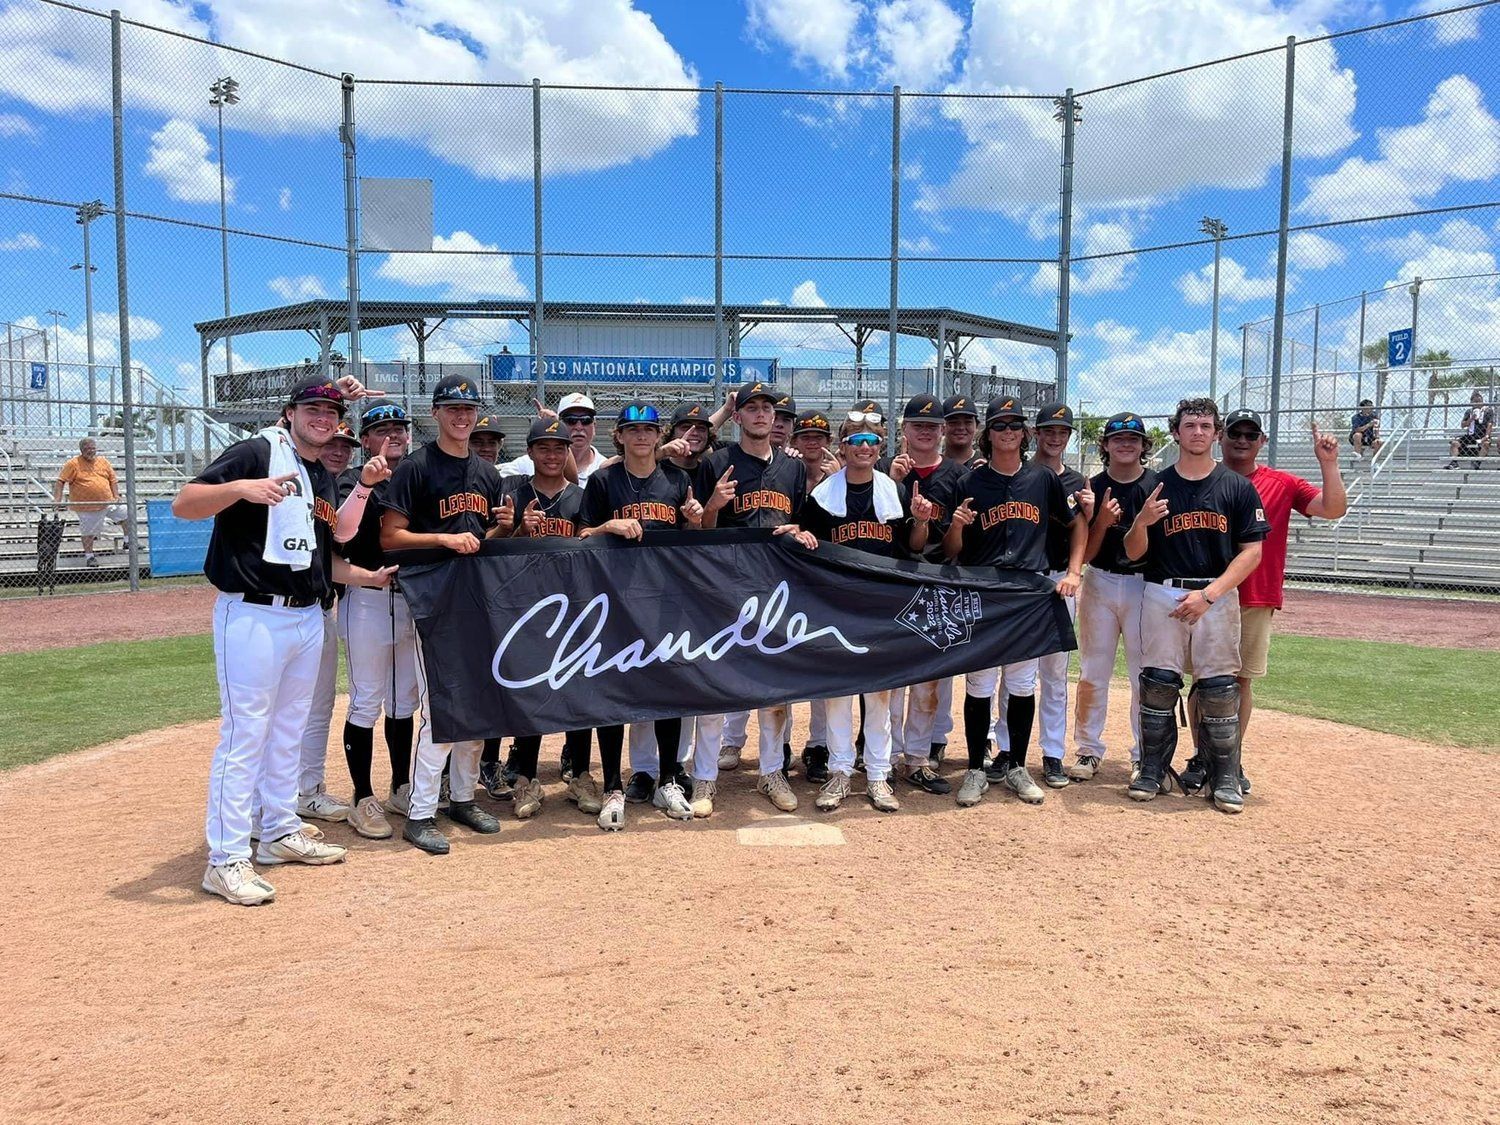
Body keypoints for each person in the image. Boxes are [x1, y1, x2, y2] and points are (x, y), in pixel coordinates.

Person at [171, 373, 366, 906]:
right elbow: (184, 503)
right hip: (253, 614)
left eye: (331, 413)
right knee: (244, 735)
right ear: (289, 413)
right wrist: (240, 489)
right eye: (312, 410)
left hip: (305, 615)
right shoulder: (258, 451)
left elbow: (332, 546)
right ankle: (226, 858)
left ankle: (278, 830)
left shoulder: (316, 471)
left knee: (289, 729)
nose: (322, 420)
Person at [1177, 409, 1347, 793]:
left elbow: (1333, 509)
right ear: (1222, 437)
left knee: (1240, 681)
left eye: (1250, 435)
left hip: (1255, 594)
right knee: (1204, 681)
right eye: (1235, 433)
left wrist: (1330, 464)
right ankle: (1202, 758)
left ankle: (1229, 759)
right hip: (1206, 594)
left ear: (1262, 441)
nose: (1242, 440)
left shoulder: (1280, 482)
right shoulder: (1202, 477)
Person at [381, 374, 514, 854]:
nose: (461, 417)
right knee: (441, 704)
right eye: (452, 409)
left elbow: (481, 546)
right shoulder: (416, 467)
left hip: (475, 597)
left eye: (468, 409)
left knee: (476, 700)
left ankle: (462, 798)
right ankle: (419, 813)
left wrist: (503, 529)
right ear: (435, 414)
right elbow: (390, 538)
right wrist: (443, 538)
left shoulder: (487, 474)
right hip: (431, 596)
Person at [1123, 397, 1268, 815]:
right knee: (1157, 684)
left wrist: (1208, 596)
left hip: (1214, 594)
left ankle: (1223, 774)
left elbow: (1251, 552)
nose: (1198, 432)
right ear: (1176, 432)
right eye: (1190, 425)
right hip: (1162, 591)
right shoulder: (1155, 485)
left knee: (1220, 689)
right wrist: (1142, 522)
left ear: (1216, 434)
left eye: (1206, 426)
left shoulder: (1236, 486)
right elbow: (1133, 552)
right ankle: (1153, 768)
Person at [942, 395, 1085, 809]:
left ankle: (1018, 766)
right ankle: (974, 768)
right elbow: (953, 550)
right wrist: (955, 526)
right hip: (985, 588)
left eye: (1014, 425)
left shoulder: (1043, 479)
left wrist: (1074, 571)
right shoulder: (970, 482)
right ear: (989, 434)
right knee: (980, 683)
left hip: (1029, 590)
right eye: (1000, 426)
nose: (1007, 432)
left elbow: (1077, 525)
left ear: (1025, 434)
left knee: (1023, 683)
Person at [799, 415, 937, 812]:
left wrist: (923, 521)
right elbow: (808, 545)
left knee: (880, 694)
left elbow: (911, 547)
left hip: (881, 602)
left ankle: (877, 774)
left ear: (881, 447)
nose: (864, 447)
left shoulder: (894, 489)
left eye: (872, 440)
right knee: (840, 693)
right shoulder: (823, 495)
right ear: (841, 447)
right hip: (838, 603)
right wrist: (801, 535)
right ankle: (841, 772)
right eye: (856, 439)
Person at [580, 400, 706, 829]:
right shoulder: (602, 481)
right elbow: (580, 535)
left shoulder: (677, 479)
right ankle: (614, 783)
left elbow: (692, 541)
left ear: (659, 436)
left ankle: (668, 778)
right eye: (632, 430)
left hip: (664, 599)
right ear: (618, 435)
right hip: (614, 600)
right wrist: (606, 528)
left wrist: (694, 520)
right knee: (614, 692)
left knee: (669, 686)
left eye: (648, 430)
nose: (640, 436)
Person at [693, 380, 817, 815]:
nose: (762, 414)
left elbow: (802, 523)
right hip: (726, 586)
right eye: (753, 408)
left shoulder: (793, 468)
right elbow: (700, 533)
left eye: (768, 408)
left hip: (776, 586)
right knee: (716, 684)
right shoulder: (718, 462)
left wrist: (799, 530)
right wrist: (713, 505)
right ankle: (704, 778)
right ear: (739, 415)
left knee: (774, 686)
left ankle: (771, 771)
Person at [502, 416, 601, 819]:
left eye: (559, 447)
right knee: (531, 692)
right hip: (526, 608)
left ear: (568, 454)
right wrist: (519, 532)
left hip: (573, 608)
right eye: (543, 447)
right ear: (529, 452)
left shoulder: (581, 497)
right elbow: (495, 549)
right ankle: (525, 777)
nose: (552, 454)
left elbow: (591, 547)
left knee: (578, 690)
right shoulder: (513, 491)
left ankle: (579, 773)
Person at [991, 402, 1090, 790]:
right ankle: (1006, 749)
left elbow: (1082, 530)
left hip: (1056, 579)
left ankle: (1052, 753)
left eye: (1062, 432)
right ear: (1036, 433)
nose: (1055, 437)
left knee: (1053, 673)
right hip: (1019, 581)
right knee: (1011, 671)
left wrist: (1074, 572)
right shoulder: (1018, 474)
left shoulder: (1076, 480)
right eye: (1049, 430)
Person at [331, 401, 418, 839]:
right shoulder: (351, 479)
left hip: (412, 600)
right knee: (367, 699)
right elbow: (341, 534)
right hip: (367, 597)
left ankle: (400, 785)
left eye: (399, 427)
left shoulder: (416, 474)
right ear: (365, 440)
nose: (393, 434)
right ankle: (362, 797)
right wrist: (366, 485)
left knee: (404, 701)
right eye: (381, 429)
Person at [881, 393, 966, 792]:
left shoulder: (956, 474)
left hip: (939, 580)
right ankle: (885, 757)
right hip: (895, 578)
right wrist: (894, 481)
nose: (926, 432)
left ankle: (917, 757)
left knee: (930, 679)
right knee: (891, 678)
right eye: (918, 425)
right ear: (905, 429)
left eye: (933, 426)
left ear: (943, 431)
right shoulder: (885, 471)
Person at [1068, 412, 1156, 781]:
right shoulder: (1092, 485)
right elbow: (1084, 551)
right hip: (1100, 579)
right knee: (1093, 672)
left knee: (1143, 675)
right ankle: (1088, 750)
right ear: (1105, 444)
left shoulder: (1157, 483)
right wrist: (1100, 519)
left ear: (1143, 445)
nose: (1125, 444)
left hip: (1145, 584)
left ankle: (1144, 755)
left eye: (1133, 438)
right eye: (1118, 438)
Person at [53, 437, 129, 567]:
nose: (91, 451)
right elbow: (60, 481)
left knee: (127, 514)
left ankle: (128, 541)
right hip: (87, 506)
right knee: (88, 532)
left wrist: (116, 495)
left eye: (93, 448)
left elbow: (113, 480)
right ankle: (89, 557)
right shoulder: (73, 463)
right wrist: (57, 500)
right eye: (87, 449)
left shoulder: (103, 461)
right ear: (81, 450)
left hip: (108, 501)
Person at [499, 392, 603, 485]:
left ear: (595, 426)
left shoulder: (604, 468)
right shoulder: (531, 462)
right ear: (557, 424)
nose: (579, 427)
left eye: (586, 420)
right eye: (571, 420)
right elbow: (495, 480)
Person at [1446, 391, 1493, 469]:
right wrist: (1471, 419)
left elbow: (1490, 424)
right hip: (1470, 436)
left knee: (1486, 444)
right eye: (1475, 402)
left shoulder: (1488, 411)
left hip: (1482, 435)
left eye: (1480, 401)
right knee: (1454, 443)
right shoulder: (1469, 412)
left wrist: (1486, 436)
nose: (1478, 403)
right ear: (1472, 402)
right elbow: (1463, 425)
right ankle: (1454, 463)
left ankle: (1477, 464)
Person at [941, 394, 983, 468]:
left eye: (967, 422)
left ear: (976, 426)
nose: (961, 427)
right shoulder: (933, 465)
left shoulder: (986, 464)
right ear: (942, 427)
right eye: (953, 422)